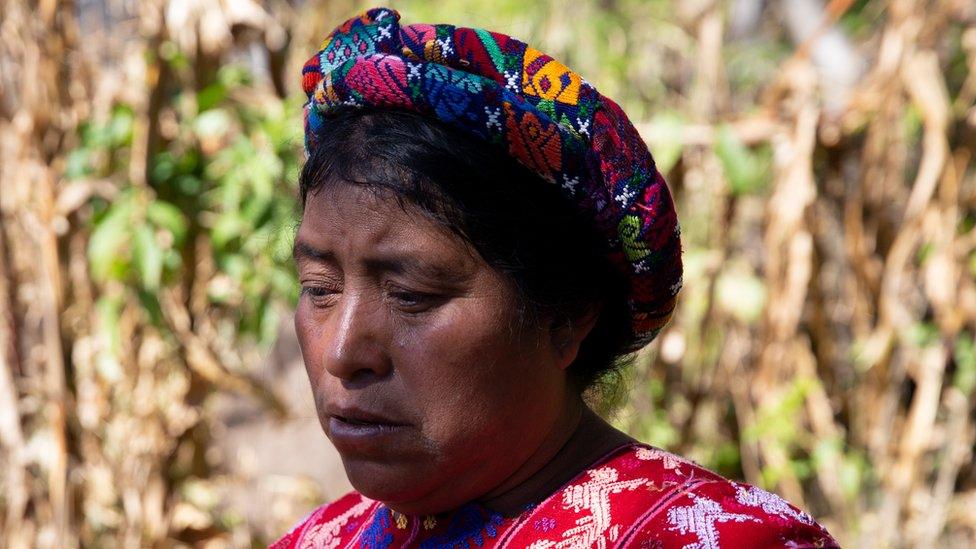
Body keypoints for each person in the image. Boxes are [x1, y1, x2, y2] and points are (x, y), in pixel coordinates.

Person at [272, 7, 839, 548]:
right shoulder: (323, 538)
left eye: (412, 295)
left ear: (566, 315)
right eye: (320, 288)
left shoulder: (718, 538)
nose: (343, 352)